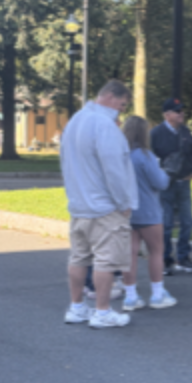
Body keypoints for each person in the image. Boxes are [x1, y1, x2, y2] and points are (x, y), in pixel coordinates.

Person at [59, 80, 137, 329]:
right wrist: (124, 202)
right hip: (104, 206)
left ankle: (77, 306)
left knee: (79, 257)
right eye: (122, 105)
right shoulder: (104, 125)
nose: (121, 111)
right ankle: (102, 311)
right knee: (106, 260)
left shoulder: (76, 120)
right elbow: (114, 168)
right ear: (112, 98)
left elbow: (66, 162)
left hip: (79, 203)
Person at [117, 115, 177, 311]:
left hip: (125, 211)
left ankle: (131, 296)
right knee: (156, 252)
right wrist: (166, 173)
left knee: (130, 254)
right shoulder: (145, 156)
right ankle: (157, 294)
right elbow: (160, 182)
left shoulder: (120, 155)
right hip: (148, 210)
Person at [151, 98, 192, 274]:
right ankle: (164, 259)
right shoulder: (156, 134)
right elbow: (150, 158)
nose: (181, 114)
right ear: (167, 115)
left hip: (184, 183)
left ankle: (183, 257)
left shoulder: (186, 133)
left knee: (187, 221)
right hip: (165, 185)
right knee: (166, 223)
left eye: (182, 111)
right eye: (177, 111)